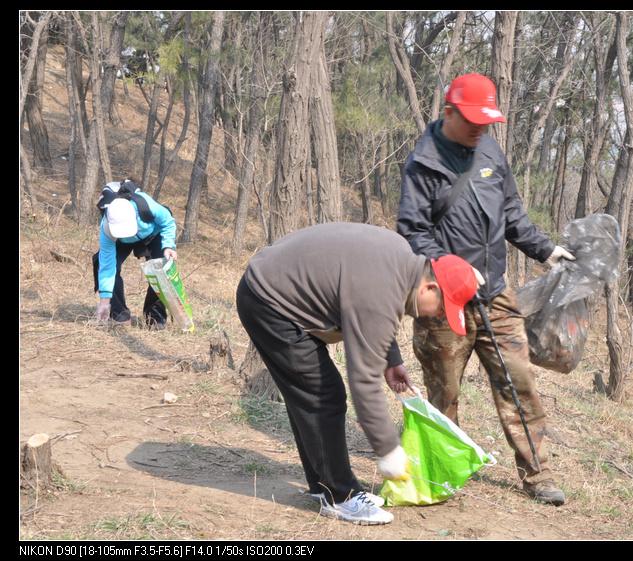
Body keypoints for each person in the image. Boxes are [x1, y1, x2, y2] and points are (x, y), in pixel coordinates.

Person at [397, 73, 574, 506]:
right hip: (442, 301)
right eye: (472, 120)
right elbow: (412, 231)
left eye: (487, 121)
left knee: (519, 382)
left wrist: (545, 249)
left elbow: (512, 212)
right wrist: (450, 268)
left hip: (496, 295)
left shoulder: (491, 149)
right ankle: (438, 472)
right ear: (448, 112)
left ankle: (538, 474)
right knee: (444, 394)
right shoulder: (423, 163)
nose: (480, 128)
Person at [235, 222, 481, 525]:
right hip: (269, 300)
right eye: (442, 308)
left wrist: (391, 360)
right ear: (430, 287)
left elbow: (375, 311)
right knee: (323, 394)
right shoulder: (382, 289)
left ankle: (323, 486)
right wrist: (389, 449)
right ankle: (340, 497)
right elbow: (363, 380)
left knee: (311, 393)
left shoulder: (401, 263)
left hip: (272, 288)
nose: (437, 315)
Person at [92, 180, 178, 329]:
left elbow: (168, 222)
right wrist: (104, 302)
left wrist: (168, 246)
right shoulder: (107, 230)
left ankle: (155, 317)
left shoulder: (147, 206)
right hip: (120, 241)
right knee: (100, 263)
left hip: (152, 235)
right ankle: (119, 315)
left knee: (160, 269)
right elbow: (107, 266)